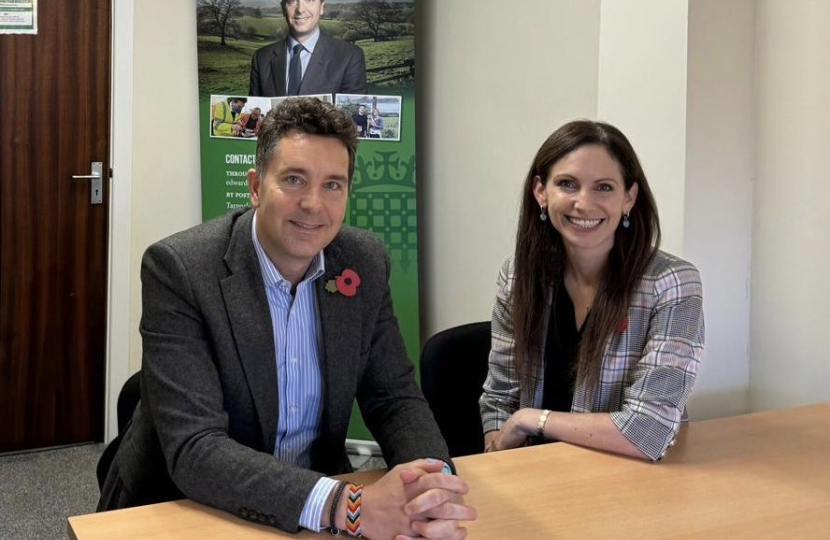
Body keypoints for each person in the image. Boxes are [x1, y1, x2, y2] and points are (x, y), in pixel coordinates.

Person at [99, 98, 476, 540]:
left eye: (333, 185)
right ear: (256, 186)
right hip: (185, 508)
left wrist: (430, 485)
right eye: (294, 179)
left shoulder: (363, 261)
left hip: (313, 507)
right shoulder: (180, 270)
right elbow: (196, 450)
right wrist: (350, 507)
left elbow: (393, 396)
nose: (314, 204)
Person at [479, 120, 705, 462]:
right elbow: (499, 396)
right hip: (533, 473)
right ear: (541, 192)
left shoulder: (671, 284)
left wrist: (531, 420)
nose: (583, 204)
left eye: (603, 188)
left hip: (628, 477)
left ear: (629, 198)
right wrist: (497, 445)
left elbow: (648, 431)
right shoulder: (517, 276)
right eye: (567, 184)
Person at [249, 0, 367, 97]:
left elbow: (350, 121)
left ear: (321, 7)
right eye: (292, 1)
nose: (300, 9)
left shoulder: (350, 56)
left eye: (309, 0)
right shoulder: (261, 58)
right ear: (283, 8)